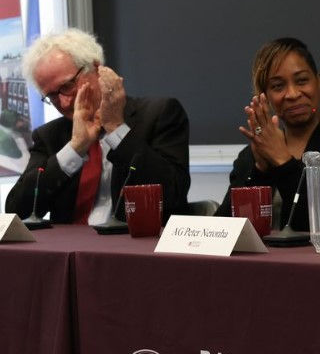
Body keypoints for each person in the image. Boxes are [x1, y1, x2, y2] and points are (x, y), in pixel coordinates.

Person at [6, 28, 190, 223]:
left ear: (96, 69)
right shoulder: (50, 135)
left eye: (67, 86)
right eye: (51, 96)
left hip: (134, 246)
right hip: (70, 250)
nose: (65, 103)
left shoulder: (159, 114)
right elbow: (16, 212)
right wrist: (74, 148)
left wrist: (116, 129)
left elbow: (173, 196)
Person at [215, 37, 320, 231]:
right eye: (277, 86)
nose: (292, 94)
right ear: (264, 96)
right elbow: (222, 230)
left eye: (302, 81)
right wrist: (259, 170)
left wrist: (283, 161)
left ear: (319, 82)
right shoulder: (250, 155)